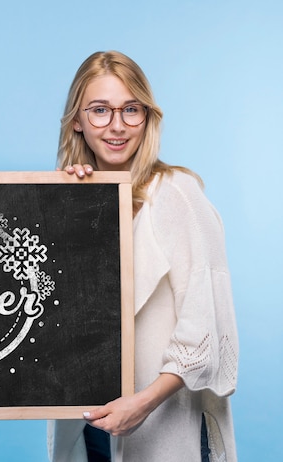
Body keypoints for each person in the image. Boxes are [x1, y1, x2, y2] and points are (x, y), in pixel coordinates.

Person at [47, 51, 239, 462]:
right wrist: (73, 209)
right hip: (90, 426)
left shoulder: (177, 193)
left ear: (147, 117)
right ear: (77, 121)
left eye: (130, 109)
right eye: (100, 110)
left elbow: (204, 331)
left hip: (162, 429)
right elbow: (52, 321)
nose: (117, 126)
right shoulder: (71, 202)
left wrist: (143, 404)